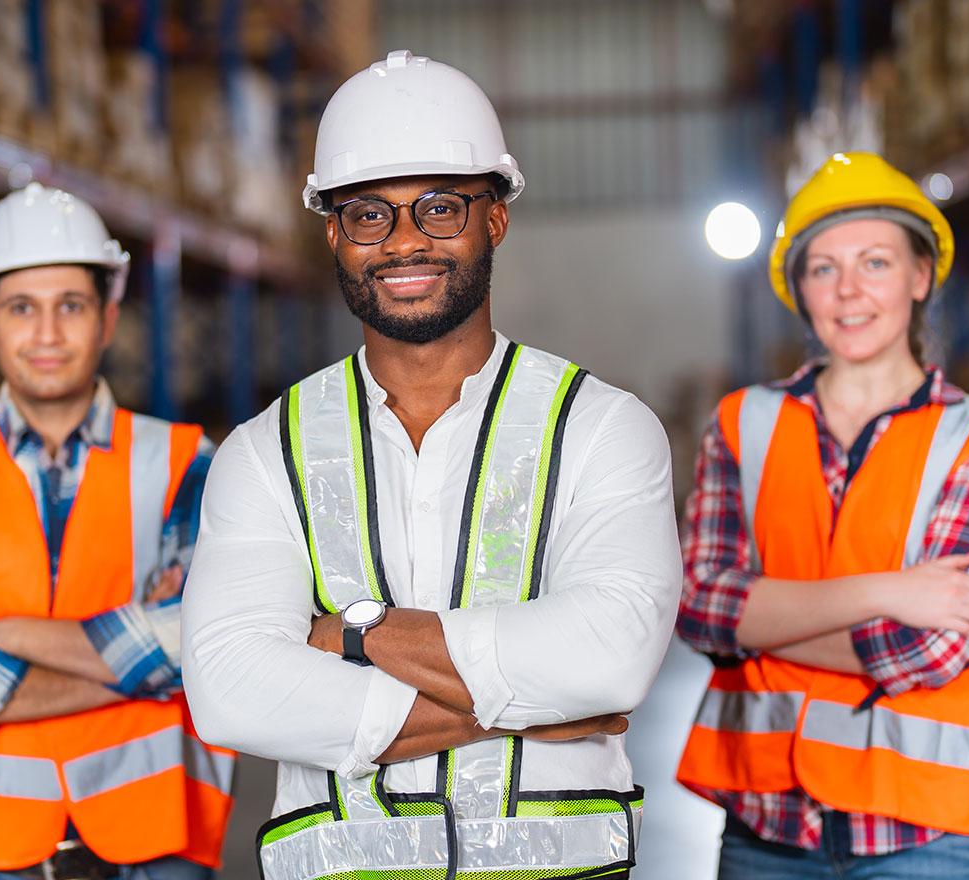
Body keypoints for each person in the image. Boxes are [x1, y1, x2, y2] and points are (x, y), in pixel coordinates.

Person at [181, 50, 680, 880]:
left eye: (440, 208)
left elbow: (611, 656)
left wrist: (351, 634)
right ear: (334, 234)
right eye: (370, 214)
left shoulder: (598, 428)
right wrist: (519, 709)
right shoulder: (268, 450)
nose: (405, 240)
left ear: (497, 218)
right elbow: (232, 690)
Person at [0, 182, 234, 880]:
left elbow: (215, 638)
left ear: (107, 318)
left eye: (70, 306)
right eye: (20, 309)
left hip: (156, 840)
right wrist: (151, 674)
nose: (45, 334)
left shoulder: (188, 463)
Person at [676, 151, 969, 877]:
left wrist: (761, 627)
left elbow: (935, 650)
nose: (849, 292)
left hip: (929, 834)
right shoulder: (742, 424)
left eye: (876, 263)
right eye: (823, 269)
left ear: (920, 277)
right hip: (768, 829)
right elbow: (696, 609)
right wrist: (887, 592)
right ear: (799, 289)